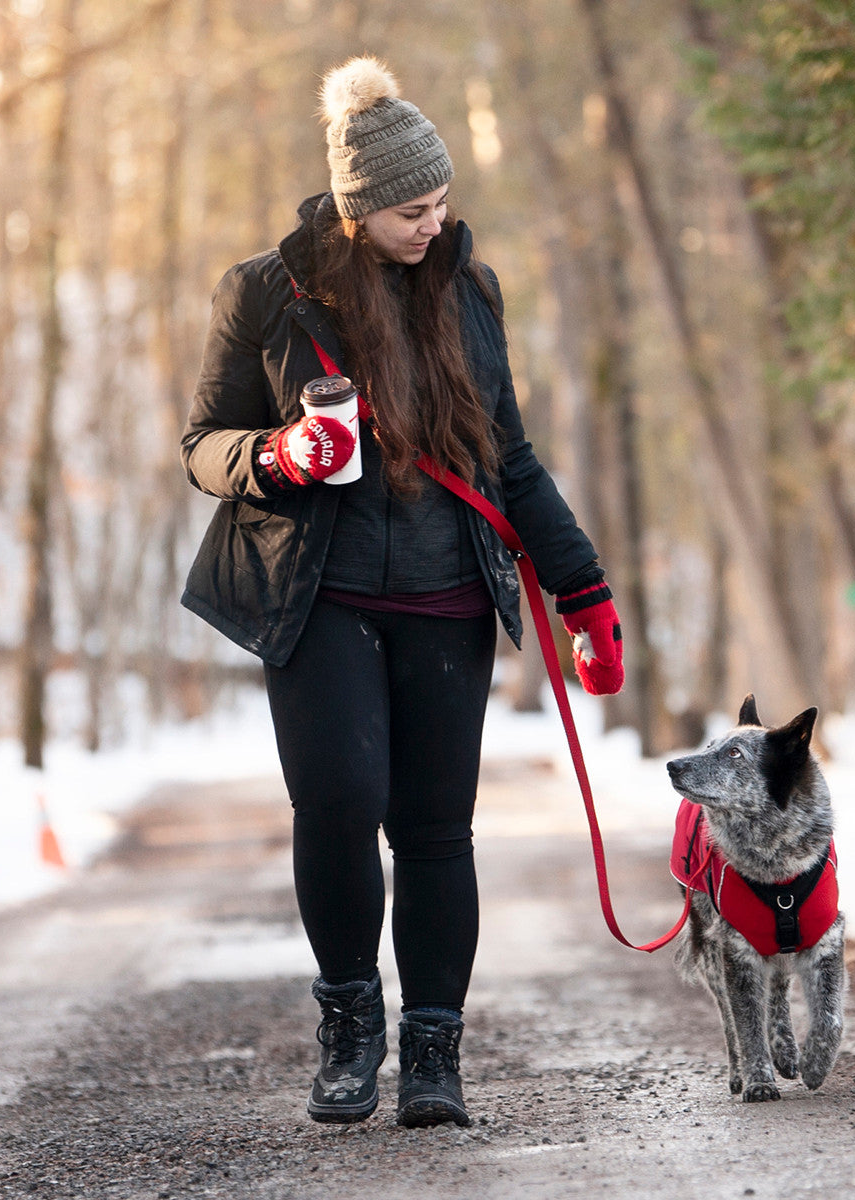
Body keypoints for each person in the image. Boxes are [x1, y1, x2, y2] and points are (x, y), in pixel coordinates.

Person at [179, 55, 624, 1129]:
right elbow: (203, 446)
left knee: (434, 828)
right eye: (411, 210)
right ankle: (351, 1029)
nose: (434, 224)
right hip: (317, 591)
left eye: (442, 203)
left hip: (445, 592)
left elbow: (509, 460)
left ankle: (434, 1052)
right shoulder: (265, 293)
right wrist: (280, 454)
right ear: (358, 206)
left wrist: (584, 592)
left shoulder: (469, 293)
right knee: (337, 805)